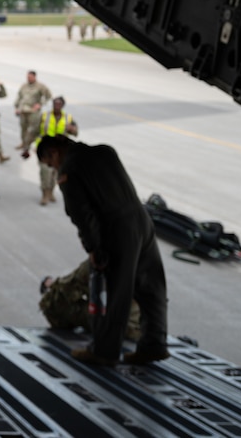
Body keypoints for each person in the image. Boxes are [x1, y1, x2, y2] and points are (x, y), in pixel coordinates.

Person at [36, 135, 169, 367]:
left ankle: (104, 351)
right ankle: (154, 344)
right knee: (152, 287)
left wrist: (94, 248)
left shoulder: (70, 170)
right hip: (142, 221)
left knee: (117, 292)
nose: (53, 167)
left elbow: (82, 215)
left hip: (118, 230)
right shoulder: (105, 151)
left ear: (54, 153)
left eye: (50, 162)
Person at [39, 259, 142, 341]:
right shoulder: (139, 249)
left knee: (52, 303)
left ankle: (49, 286)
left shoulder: (101, 256)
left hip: (121, 326)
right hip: (142, 326)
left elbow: (68, 289)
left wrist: (53, 288)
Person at [22, 96, 78, 205]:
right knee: (45, 172)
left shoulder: (68, 118)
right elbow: (33, 132)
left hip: (60, 152)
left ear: (62, 106)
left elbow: (75, 132)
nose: (56, 106)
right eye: (55, 104)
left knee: (55, 173)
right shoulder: (44, 116)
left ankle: (51, 191)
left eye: (59, 104)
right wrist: (26, 148)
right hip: (45, 150)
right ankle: (45, 194)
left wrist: (72, 129)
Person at [13, 70, 51, 149]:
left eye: (30, 77)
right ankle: (24, 143)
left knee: (33, 129)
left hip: (33, 111)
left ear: (34, 77)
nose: (28, 79)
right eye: (27, 77)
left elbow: (48, 96)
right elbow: (19, 97)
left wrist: (40, 104)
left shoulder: (40, 86)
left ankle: (33, 145)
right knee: (23, 128)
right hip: (23, 110)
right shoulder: (24, 86)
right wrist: (16, 107)